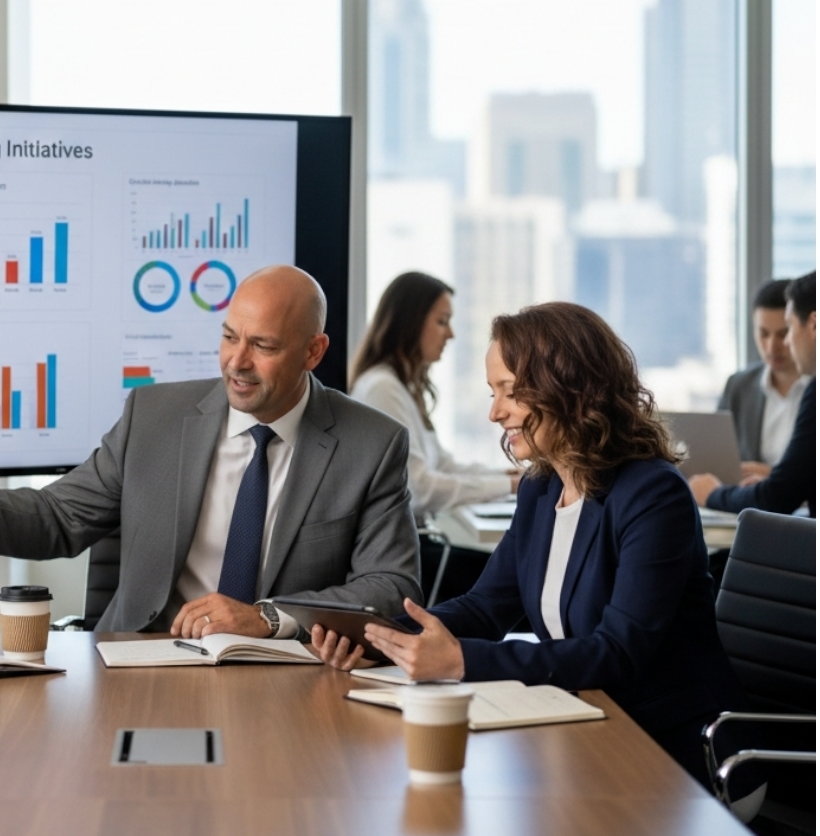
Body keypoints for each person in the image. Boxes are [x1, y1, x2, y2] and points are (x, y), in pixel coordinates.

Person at [0, 265, 423, 639]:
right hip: (144, 659)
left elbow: (391, 586)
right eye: (228, 336)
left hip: (287, 676)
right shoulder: (155, 416)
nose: (236, 362)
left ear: (313, 351)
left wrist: (266, 617)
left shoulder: (371, 443)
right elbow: (57, 518)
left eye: (262, 346)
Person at [315, 301, 747, 787]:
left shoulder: (652, 493)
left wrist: (461, 661)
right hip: (582, 724)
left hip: (674, 746)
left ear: (569, 388)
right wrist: (380, 639)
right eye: (492, 392)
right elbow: (486, 607)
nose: (495, 412)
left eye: (510, 392)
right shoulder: (542, 489)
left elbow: (617, 654)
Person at [350, 272, 514, 598]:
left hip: (421, 546)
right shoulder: (382, 389)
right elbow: (420, 488)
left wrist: (510, 476)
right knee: (515, 580)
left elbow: (444, 465)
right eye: (442, 321)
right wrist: (510, 485)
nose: (450, 334)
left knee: (513, 573)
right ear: (409, 322)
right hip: (406, 558)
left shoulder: (402, 387)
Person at [691, 271, 815, 517]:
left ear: (814, 324)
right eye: (763, 333)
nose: (781, 345)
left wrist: (712, 494)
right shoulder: (739, 384)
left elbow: (778, 496)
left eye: (787, 330)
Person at [717, 277, 808, 483]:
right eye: (763, 333)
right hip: (745, 506)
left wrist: (776, 479)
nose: (772, 347)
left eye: (783, 334)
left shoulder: (815, 387)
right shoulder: (739, 385)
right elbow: (717, 456)